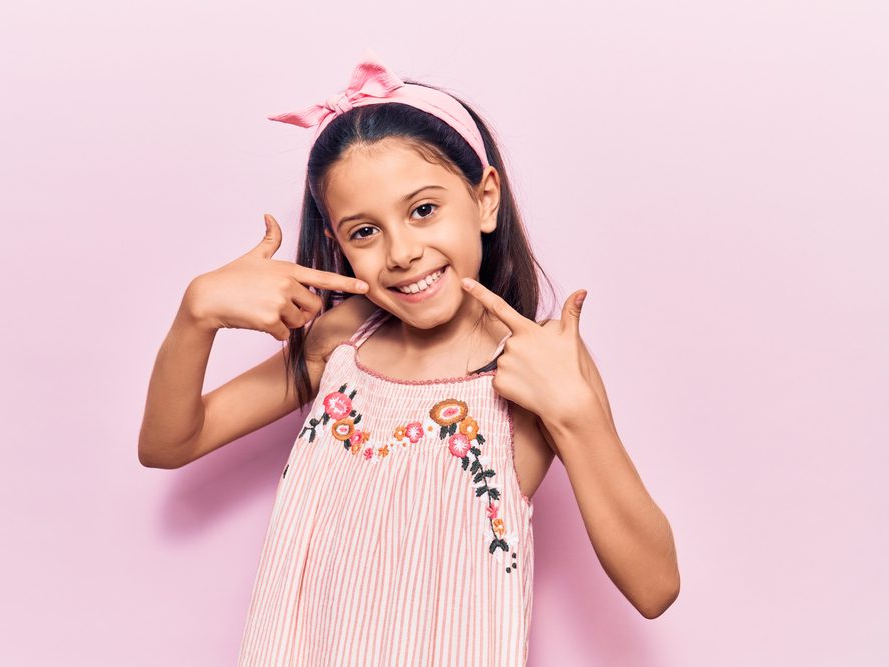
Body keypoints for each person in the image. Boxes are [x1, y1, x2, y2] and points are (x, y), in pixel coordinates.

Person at [138, 48, 680, 666]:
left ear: (485, 199)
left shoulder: (540, 363)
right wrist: (196, 316)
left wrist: (578, 416)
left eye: (424, 210)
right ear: (338, 241)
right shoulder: (340, 341)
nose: (401, 252)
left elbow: (656, 587)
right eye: (364, 231)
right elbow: (168, 444)